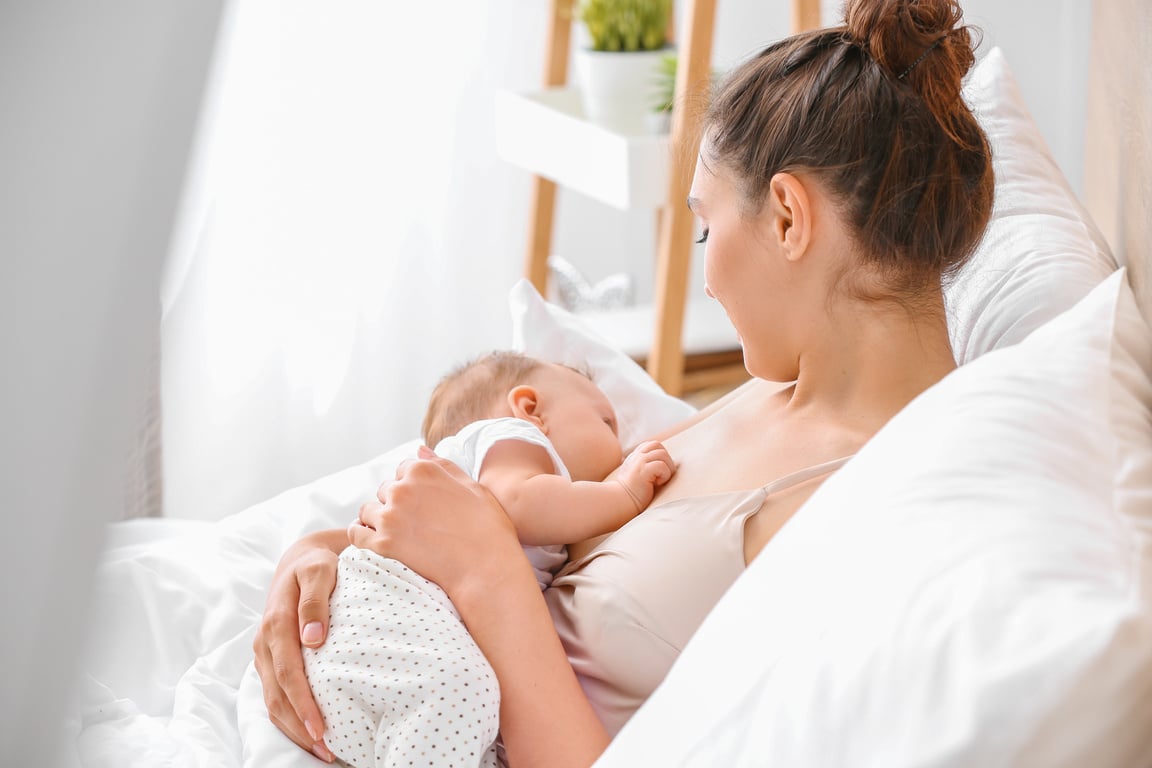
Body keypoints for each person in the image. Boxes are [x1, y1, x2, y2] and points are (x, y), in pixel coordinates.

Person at [253, 0, 994, 763]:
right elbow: (532, 521)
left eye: (706, 227)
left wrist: (488, 578)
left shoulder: (859, 504)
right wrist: (328, 551)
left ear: (786, 218)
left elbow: (505, 569)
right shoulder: (771, 397)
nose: (706, 279)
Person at [302, 351, 675, 767]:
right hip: (391, 608)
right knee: (459, 690)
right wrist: (621, 492)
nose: (622, 445)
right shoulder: (512, 437)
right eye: (606, 422)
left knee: (463, 711)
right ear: (531, 409)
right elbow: (520, 504)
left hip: (365, 681)